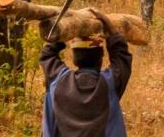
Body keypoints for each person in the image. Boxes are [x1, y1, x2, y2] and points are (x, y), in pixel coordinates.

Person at [40, 8, 132, 137]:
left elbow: (47, 55)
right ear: (100, 59)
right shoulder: (109, 84)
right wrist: (107, 23)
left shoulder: (58, 80)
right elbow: (122, 57)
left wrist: (64, 28)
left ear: (74, 59)